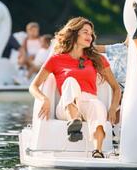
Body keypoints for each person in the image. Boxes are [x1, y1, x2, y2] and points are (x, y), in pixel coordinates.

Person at [29, 17, 121, 159]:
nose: (89, 36)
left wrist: (113, 108)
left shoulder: (97, 59)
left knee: (97, 106)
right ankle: (74, 123)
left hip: (89, 102)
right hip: (66, 107)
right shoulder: (56, 59)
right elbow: (33, 86)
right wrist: (44, 99)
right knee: (70, 81)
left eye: (91, 34)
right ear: (74, 33)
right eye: (85, 32)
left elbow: (116, 88)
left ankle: (98, 151)